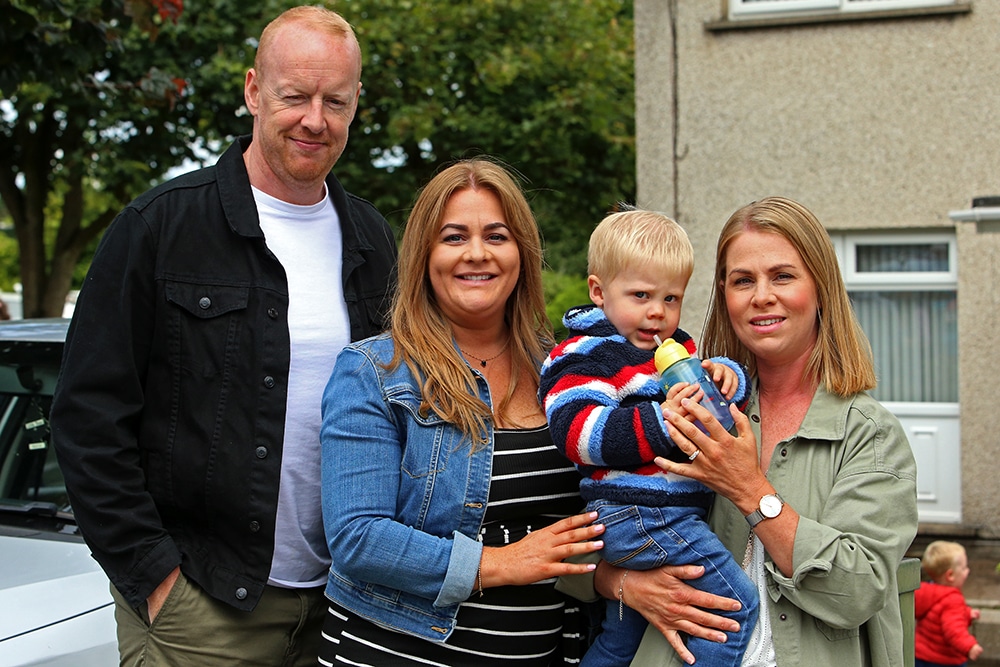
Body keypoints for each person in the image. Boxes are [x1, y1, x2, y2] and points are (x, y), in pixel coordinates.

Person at [49, 6, 396, 666]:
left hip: (343, 605)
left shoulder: (373, 239)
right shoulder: (160, 227)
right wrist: (155, 579)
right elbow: (88, 418)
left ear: (356, 104)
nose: (315, 120)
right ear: (252, 91)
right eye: (295, 96)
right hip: (202, 607)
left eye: (336, 101)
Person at [585, 196, 919, 667]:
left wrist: (749, 489)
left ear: (820, 287)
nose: (762, 296)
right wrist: (622, 584)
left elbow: (856, 591)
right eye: (743, 281)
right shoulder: (682, 408)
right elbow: (584, 536)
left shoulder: (869, 435)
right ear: (724, 295)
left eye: (782, 276)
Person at [319, 158, 605, 666]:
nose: (477, 254)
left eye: (496, 236)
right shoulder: (373, 372)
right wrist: (498, 564)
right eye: (453, 237)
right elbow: (357, 538)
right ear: (424, 257)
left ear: (522, 252)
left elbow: (587, 524)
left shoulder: (564, 371)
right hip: (404, 652)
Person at [539, 209, 756, 667]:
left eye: (671, 298)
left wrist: (726, 374)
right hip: (640, 514)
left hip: (664, 514)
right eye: (640, 295)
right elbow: (577, 432)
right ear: (599, 292)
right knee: (735, 608)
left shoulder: (672, 346)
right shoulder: (587, 354)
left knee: (623, 639)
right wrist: (661, 422)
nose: (658, 312)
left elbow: (714, 405)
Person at [915, 540, 984, 667]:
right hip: (945, 660)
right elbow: (954, 630)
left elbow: (939, 614)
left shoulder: (927, 591)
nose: (967, 571)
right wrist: (970, 646)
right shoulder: (953, 600)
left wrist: (967, 613)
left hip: (920, 656)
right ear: (950, 575)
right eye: (964, 568)